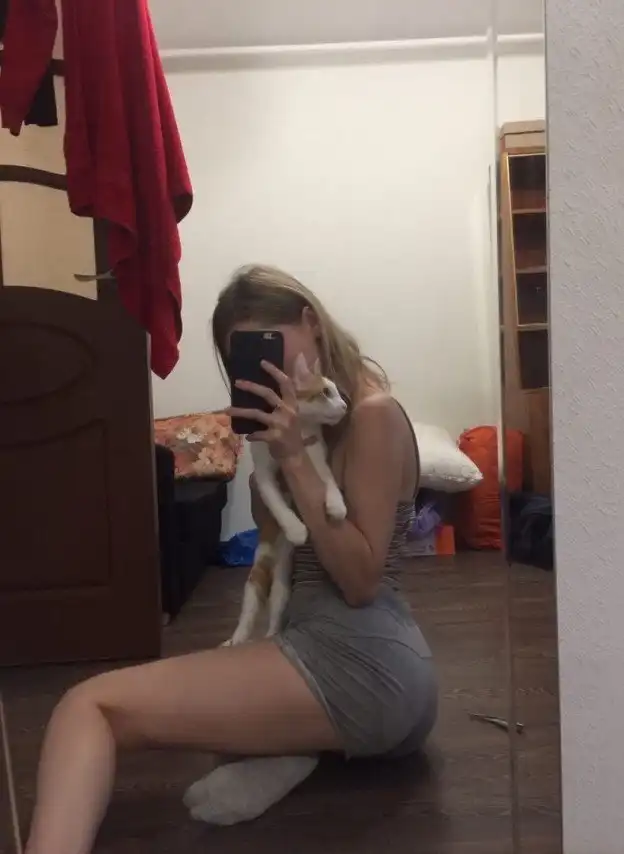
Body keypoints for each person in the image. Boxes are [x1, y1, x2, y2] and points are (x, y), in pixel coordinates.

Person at [25, 265, 438, 854]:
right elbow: (277, 539)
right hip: (340, 652)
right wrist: (276, 456)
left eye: (269, 345)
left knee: (86, 706)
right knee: (191, 705)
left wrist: (294, 457)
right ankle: (295, 751)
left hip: (365, 659)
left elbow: (360, 580)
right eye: (244, 358)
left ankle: (296, 746)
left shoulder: (373, 415)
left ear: (312, 324)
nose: (265, 370)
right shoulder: (298, 426)